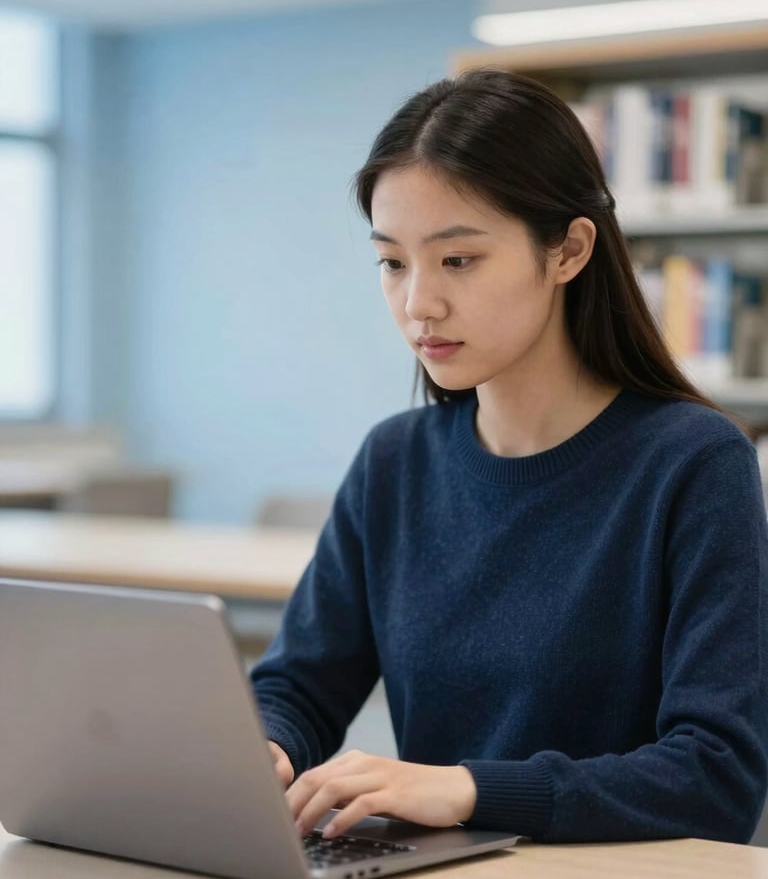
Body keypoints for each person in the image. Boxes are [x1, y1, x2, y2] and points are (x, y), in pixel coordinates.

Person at [250, 69, 768, 844]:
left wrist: (466, 790)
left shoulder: (693, 463)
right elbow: (299, 684)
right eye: (393, 262)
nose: (418, 302)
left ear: (568, 251)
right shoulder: (395, 461)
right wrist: (264, 750)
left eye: (458, 260)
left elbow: (715, 775)